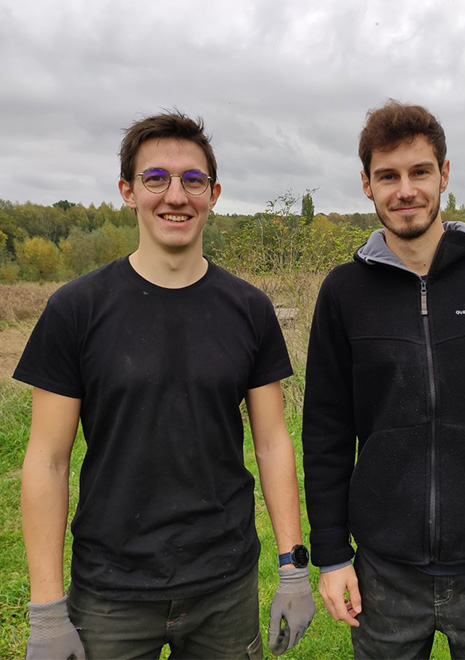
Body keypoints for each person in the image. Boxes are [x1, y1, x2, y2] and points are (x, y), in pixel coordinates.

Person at [16, 111, 315, 660]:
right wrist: (46, 610)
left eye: (192, 180)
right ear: (128, 191)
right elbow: (47, 460)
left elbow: (272, 443)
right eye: (156, 179)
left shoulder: (249, 309)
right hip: (112, 592)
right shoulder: (76, 310)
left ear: (214, 194)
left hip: (225, 586)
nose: (175, 195)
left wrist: (293, 568)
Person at [302, 100, 465, 659]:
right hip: (384, 576)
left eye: (420, 172)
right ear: (367, 186)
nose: (405, 190)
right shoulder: (344, 293)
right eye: (387, 176)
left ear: (444, 174)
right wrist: (331, 554)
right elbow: (325, 434)